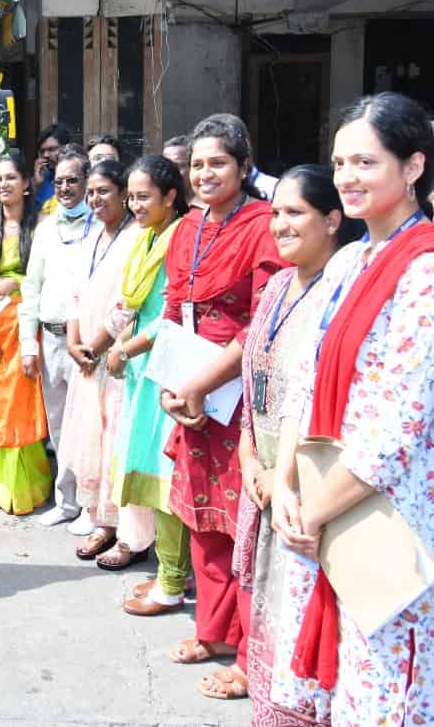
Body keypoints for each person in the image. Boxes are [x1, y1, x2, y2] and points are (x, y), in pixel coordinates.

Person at [278, 93, 434, 724]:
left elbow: (399, 424)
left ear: (414, 167)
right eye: (341, 162)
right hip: (322, 507)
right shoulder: (346, 261)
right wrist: (286, 484)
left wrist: (310, 511)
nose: (347, 177)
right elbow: (307, 379)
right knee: (332, 684)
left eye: (366, 162)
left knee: (383, 692)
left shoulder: (423, 273)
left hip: (388, 517)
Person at [220, 165, 358, 713]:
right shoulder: (277, 284)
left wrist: (289, 482)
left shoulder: (341, 296)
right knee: (265, 624)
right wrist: (252, 458)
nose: (279, 224)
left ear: (332, 220)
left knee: (305, 633)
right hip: (264, 480)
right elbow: (256, 383)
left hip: (308, 494)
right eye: (275, 212)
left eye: (294, 212)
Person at [157, 117, 286, 677]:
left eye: (217, 163)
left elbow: (261, 324)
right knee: (202, 520)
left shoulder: (262, 224)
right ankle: (211, 632)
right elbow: (170, 310)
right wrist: (170, 384)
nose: (205, 174)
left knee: (244, 525)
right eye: (197, 165)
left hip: (238, 393)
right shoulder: (186, 228)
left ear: (242, 166)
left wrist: (200, 384)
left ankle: (250, 650)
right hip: (190, 391)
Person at [101, 157, 193, 601]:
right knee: (150, 469)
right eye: (132, 196)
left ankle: (174, 579)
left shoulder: (179, 239)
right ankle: (170, 571)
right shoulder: (146, 240)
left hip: (167, 368)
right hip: (142, 368)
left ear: (171, 196)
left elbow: (171, 317)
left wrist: (123, 348)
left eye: (144, 197)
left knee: (167, 472)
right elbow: (136, 309)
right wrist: (121, 342)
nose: (135, 205)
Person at [56, 160, 154, 564]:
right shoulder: (93, 237)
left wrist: (95, 348)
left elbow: (127, 304)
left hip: (115, 359)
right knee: (91, 440)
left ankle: (131, 536)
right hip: (87, 358)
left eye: (104, 192)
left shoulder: (136, 238)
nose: (95, 199)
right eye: (91, 192)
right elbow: (76, 293)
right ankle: (102, 523)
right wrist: (74, 342)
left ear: (124, 196)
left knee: (118, 441)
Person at [0, 150, 54, 514]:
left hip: (28, 330)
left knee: (24, 404)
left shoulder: (42, 228)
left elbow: (51, 279)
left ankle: (28, 487)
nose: (2, 184)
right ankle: (0, 485)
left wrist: (15, 284)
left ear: (25, 183)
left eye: (9, 178)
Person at [19, 147, 95, 531]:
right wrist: (28, 346)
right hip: (50, 341)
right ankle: (66, 501)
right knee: (60, 426)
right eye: (60, 180)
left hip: (86, 344)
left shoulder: (100, 226)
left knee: (91, 426)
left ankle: (91, 505)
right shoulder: (46, 228)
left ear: (87, 182)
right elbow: (31, 288)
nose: (65, 187)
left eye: (73, 180)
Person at [31, 123, 69, 210]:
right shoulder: (37, 180)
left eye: (51, 149)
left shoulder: (76, 179)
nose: (46, 155)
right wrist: (35, 185)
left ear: (65, 148)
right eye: (42, 151)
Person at [162, 135, 195, 208]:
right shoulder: (159, 208)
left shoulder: (208, 210)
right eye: (166, 166)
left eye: (179, 166)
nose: (171, 172)